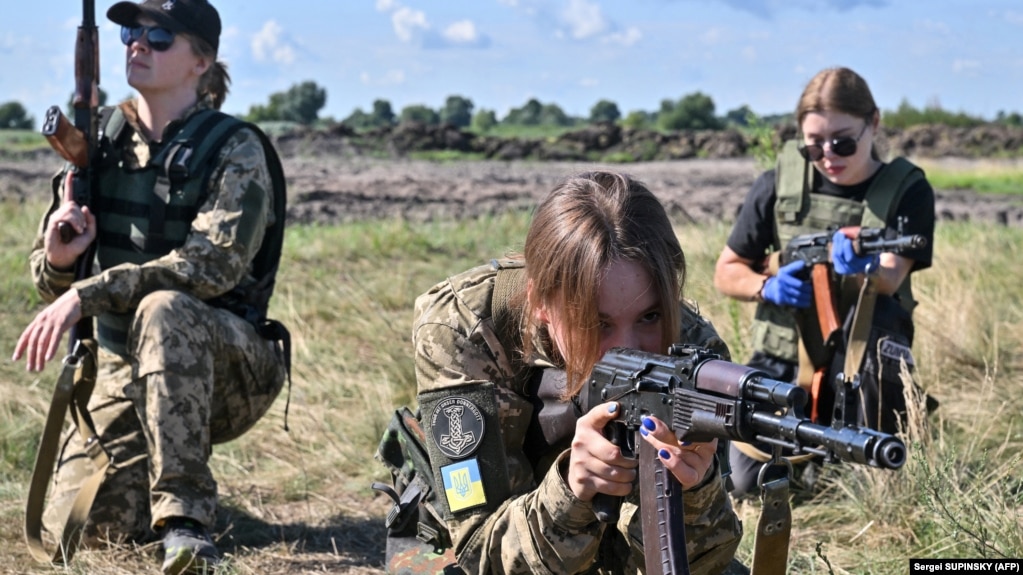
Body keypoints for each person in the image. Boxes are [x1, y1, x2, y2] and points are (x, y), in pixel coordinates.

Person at [12, 0, 289, 573]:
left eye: (161, 36)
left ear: (201, 61)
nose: (139, 44)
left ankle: (187, 522)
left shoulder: (235, 148)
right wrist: (62, 260)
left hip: (228, 367)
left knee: (166, 308)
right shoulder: (98, 140)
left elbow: (209, 268)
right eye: (132, 34)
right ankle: (158, 488)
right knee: (84, 531)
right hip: (124, 367)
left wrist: (83, 294)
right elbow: (48, 281)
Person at [376, 170, 742, 574]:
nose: (627, 348)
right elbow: (480, 550)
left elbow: (699, 559)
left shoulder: (695, 356)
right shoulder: (462, 328)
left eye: (650, 315)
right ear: (540, 303)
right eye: (596, 322)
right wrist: (570, 489)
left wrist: (694, 495)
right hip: (457, 544)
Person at [713, 66, 935, 497]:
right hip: (783, 358)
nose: (829, 155)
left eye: (843, 142)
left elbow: (891, 276)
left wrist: (862, 269)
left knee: (876, 482)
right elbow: (727, 270)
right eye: (813, 146)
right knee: (745, 482)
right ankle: (811, 464)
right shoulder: (779, 185)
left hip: (860, 369)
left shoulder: (905, 188)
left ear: (874, 123)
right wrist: (766, 287)